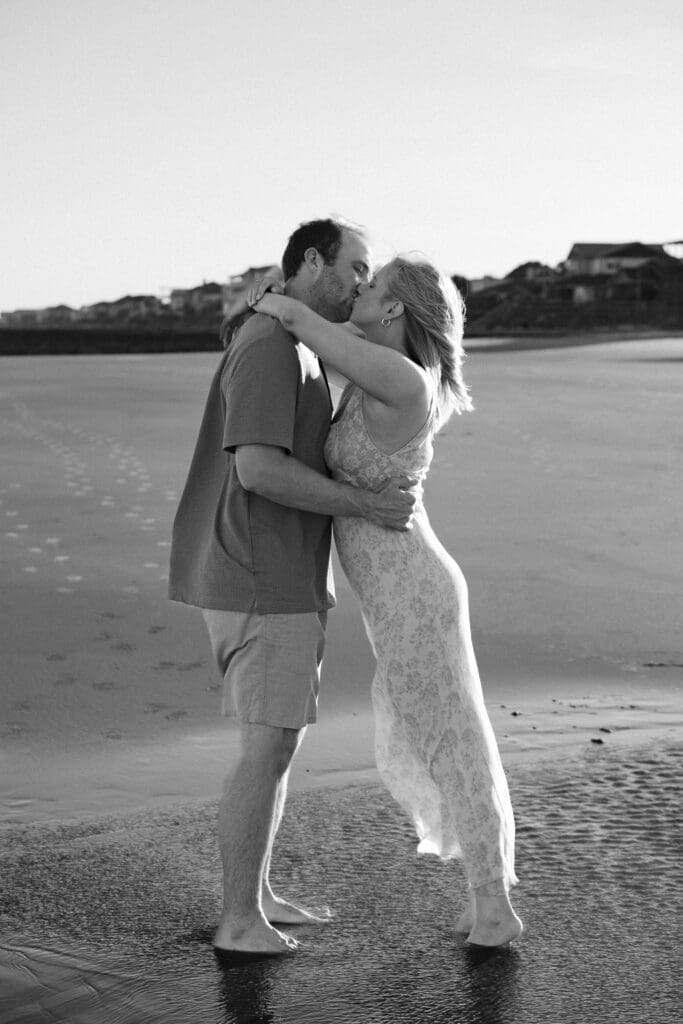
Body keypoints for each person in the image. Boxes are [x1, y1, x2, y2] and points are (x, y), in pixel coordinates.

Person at [249, 254, 523, 947]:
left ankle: (493, 906)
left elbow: (304, 325)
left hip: (413, 587)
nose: (360, 292)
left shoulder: (399, 375)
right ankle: (486, 896)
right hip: (397, 587)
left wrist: (275, 299)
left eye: (371, 287)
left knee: (450, 736)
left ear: (396, 310)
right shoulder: (380, 371)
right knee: (441, 733)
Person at [168, 218, 417, 956]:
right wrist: (368, 505)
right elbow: (258, 470)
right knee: (264, 746)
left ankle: (257, 895)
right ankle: (239, 920)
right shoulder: (272, 348)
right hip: (257, 575)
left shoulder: (292, 341)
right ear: (311, 261)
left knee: (275, 746)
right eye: (355, 267)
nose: (361, 283)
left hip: (276, 574)